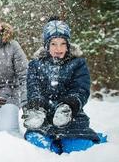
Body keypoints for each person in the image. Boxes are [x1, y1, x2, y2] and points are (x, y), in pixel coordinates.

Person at [22, 17, 107, 154]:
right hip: (44, 118)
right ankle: (53, 146)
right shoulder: (35, 65)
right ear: (46, 45)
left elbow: (81, 89)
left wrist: (68, 105)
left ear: (68, 45)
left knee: (76, 148)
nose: (58, 49)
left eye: (63, 44)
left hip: (71, 116)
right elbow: (33, 88)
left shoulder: (77, 63)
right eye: (54, 44)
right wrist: (37, 106)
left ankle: (91, 139)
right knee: (38, 146)